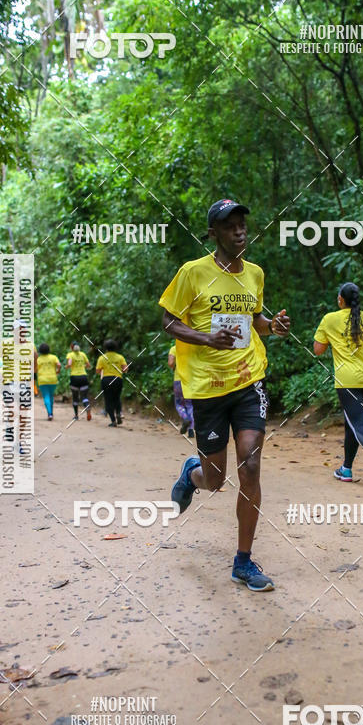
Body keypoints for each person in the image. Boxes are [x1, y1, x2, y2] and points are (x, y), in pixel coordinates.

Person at [160, 198, 290, 592]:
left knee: (249, 466)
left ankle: (243, 562)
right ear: (214, 233)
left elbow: (255, 324)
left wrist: (274, 326)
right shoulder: (193, 273)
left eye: (243, 225)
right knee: (214, 480)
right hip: (206, 388)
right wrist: (206, 338)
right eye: (230, 226)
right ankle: (191, 474)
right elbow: (168, 320)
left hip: (248, 381)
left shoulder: (254, 274)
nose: (240, 231)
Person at [313, 282, 363, 489]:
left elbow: (318, 350)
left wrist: (335, 341)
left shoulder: (329, 319)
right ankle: (346, 469)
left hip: (348, 380)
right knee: (354, 422)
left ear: (340, 299)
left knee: (357, 423)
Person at [95, 340, 128, 426]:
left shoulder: (102, 358)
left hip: (106, 380)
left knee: (108, 399)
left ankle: (113, 421)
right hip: (117, 379)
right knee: (117, 397)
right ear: (115, 347)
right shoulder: (120, 357)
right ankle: (118, 413)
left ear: (105, 348)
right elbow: (125, 369)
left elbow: (98, 371)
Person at [168, 344, 195, 438]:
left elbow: (170, 363)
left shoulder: (174, 348)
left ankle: (185, 418)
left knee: (179, 403)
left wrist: (175, 367)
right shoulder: (192, 347)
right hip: (191, 380)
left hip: (178, 380)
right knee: (190, 404)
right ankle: (191, 429)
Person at [66, 340, 92, 420]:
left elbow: (70, 364)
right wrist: (82, 366)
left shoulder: (70, 354)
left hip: (74, 378)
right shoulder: (83, 354)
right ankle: (87, 407)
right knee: (84, 396)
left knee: (75, 397)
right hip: (83, 377)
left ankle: (76, 416)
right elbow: (88, 365)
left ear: (71, 347)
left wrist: (67, 366)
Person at [35, 343, 61, 420]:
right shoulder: (53, 357)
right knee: (51, 396)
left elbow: (35, 370)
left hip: (42, 380)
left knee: (46, 396)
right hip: (53, 379)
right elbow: (59, 365)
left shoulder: (38, 359)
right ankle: (51, 412)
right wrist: (58, 371)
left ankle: (49, 413)